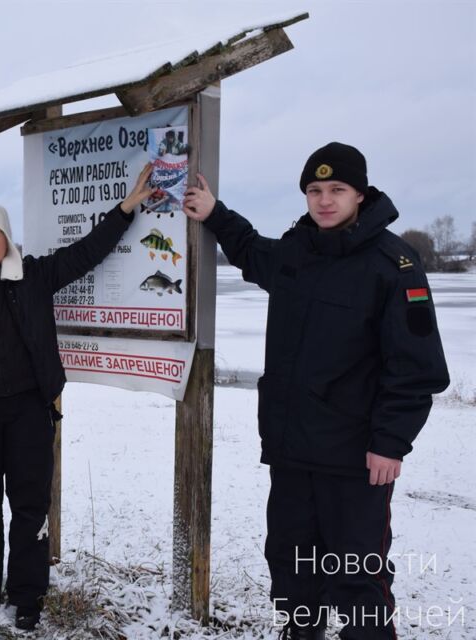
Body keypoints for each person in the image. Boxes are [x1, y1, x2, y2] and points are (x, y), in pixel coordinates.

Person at [182, 142, 450, 640]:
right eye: (314, 190)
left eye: (337, 189)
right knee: (291, 565)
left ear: (361, 195)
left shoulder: (393, 264)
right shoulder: (295, 253)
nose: (324, 200)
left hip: (355, 457)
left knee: (357, 575)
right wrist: (215, 213)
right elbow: (249, 248)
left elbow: (416, 368)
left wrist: (390, 442)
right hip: (292, 452)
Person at [0, 162, 158, 630]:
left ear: (7, 239)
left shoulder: (33, 276)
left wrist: (127, 208)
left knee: (30, 506)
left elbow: (86, 253)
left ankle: (27, 593)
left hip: (29, 412)